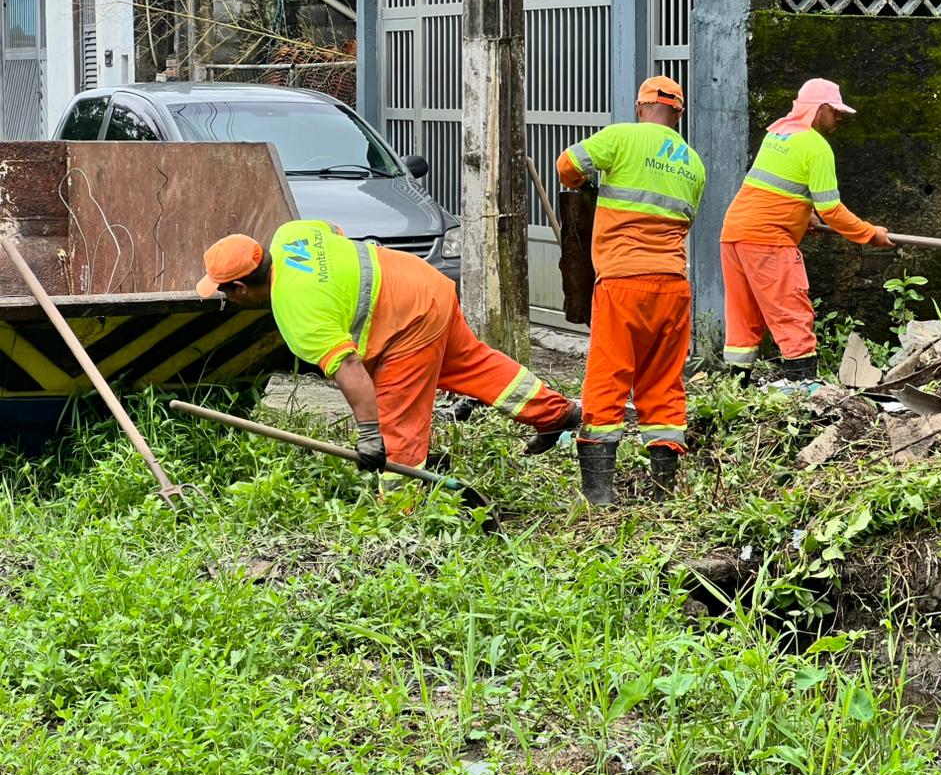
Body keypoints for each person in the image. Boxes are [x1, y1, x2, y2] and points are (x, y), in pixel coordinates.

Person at [195, 221, 580, 486]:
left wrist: (368, 436)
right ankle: (557, 413)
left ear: (242, 288)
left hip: (407, 325)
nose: (226, 298)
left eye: (224, 291)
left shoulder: (297, 313)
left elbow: (350, 370)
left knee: (397, 424)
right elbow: (336, 234)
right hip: (426, 284)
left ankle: (401, 516)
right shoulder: (291, 233)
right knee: (473, 366)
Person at [556, 76, 706, 505]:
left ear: (640, 106)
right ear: (679, 114)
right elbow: (684, 222)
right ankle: (663, 490)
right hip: (673, 285)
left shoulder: (620, 137)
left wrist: (591, 190)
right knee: (663, 381)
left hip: (623, 282)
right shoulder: (693, 163)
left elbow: (567, 166)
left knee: (609, 376)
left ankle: (600, 494)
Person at [720, 78, 892, 384]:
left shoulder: (778, 134)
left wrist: (802, 216)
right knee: (792, 314)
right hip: (767, 240)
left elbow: (776, 189)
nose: (840, 117)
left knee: (743, 316)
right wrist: (870, 234)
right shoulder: (816, 146)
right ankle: (802, 392)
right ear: (821, 108)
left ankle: (736, 390)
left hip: (734, 233)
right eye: (836, 111)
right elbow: (832, 211)